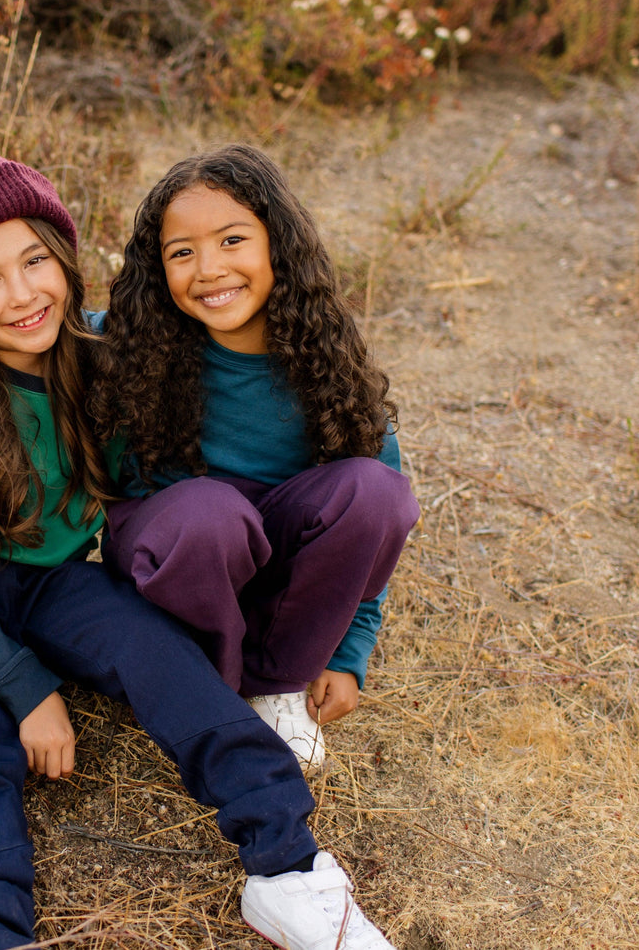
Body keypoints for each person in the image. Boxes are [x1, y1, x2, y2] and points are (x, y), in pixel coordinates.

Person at [0, 145, 397, 950]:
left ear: (66, 260)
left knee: (166, 662)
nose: (22, 293)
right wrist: (27, 688)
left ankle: (288, 868)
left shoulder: (102, 361)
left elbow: (180, 335)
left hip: (52, 579)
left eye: (35, 260)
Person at [90, 144, 421, 776]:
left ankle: (274, 683)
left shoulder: (327, 365)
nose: (209, 269)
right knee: (210, 512)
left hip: (271, 567)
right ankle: (205, 683)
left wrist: (347, 653)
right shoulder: (131, 341)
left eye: (232, 240)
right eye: (181, 252)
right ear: (158, 269)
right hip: (174, 553)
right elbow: (31, 330)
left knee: (377, 491)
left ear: (278, 246)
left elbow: (373, 536)